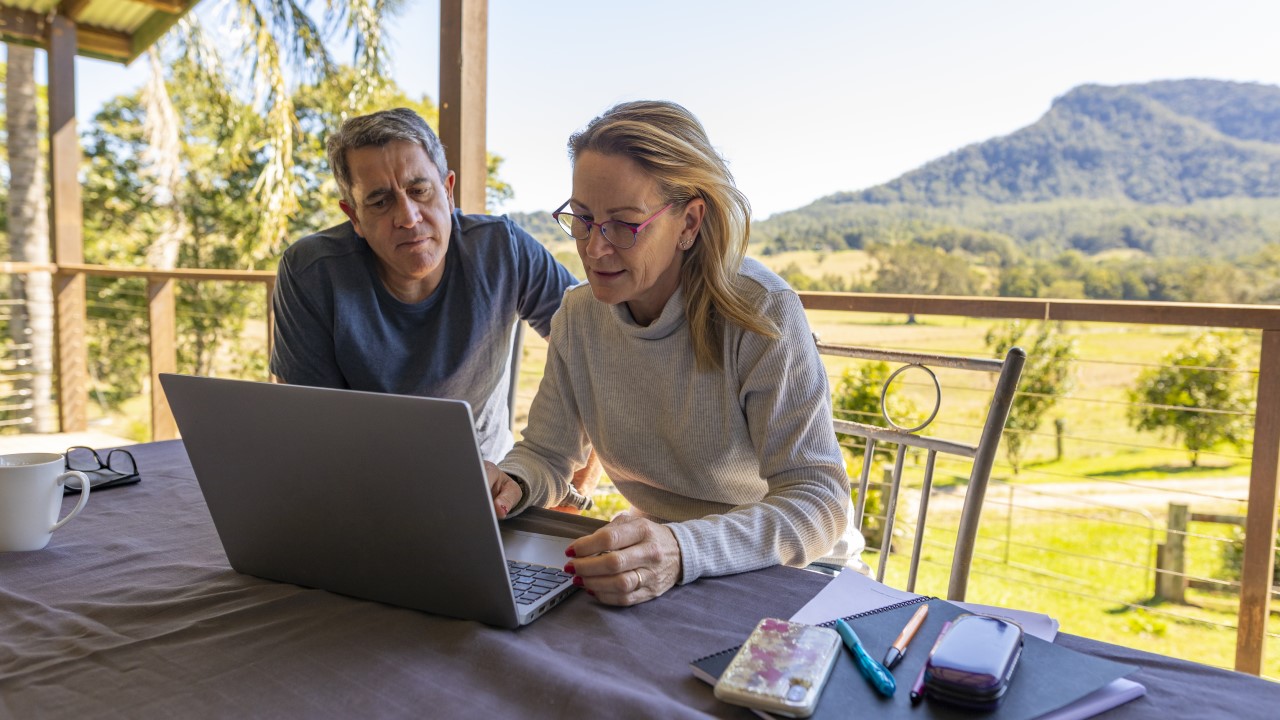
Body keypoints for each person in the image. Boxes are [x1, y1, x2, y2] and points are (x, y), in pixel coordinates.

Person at [486, 100, 858, 606]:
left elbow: (820, 502)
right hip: (663, 565)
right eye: (583, 218)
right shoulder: (579, 316)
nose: (594, 249)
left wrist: (684, 548)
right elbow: (549, 455)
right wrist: (511, 481)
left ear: (689, 222)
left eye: (624, 224)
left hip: (795, 575)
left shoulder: (760, 313)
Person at [271, 107, 598, 508]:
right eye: (379, 201)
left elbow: (600, 349)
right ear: (353, 216)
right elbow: (308, 430)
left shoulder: (503, 249)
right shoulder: (310, 273)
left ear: (448, 190)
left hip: (489, 496)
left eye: (419, 190)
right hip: (361, 495)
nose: (407, 217)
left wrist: (571, 491)